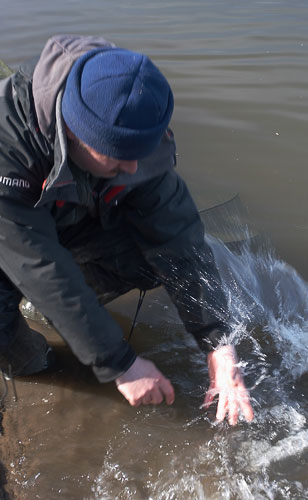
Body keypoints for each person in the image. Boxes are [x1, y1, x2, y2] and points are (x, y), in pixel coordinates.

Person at [0, 35, 254, 425]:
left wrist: (218, 343)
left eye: (140, 155)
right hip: (11, 233)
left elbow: (178, 235)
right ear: (76, 132)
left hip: (61, 215)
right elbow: (38, 265)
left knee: (156, 258)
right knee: (33, 363)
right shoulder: (9, 145)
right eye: (120, 157)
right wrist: (120, 363)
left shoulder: (131, 122)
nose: (134, 169)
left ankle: (66, 313)